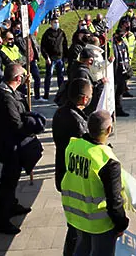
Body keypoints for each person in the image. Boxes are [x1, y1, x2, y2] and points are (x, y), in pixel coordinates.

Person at [60, 111, 129, 256]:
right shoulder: (107, 160)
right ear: (109, 129)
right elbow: (114, 199)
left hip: (76, 216)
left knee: (81, 249)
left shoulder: (73, 146)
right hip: (100, 224)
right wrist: (121, 223)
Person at [0, 63, 34, 235]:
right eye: (22, 77)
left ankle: (12, 205)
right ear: (17, 78)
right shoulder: (6, 97)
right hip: (9, 145)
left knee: (13, 180)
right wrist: (32, 125)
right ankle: (2, 220)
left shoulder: (7, 90)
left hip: (10, 143)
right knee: (8, 182)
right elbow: (16, 123)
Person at [52, 79, 92, 256]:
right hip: (74, 176)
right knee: (76, 226)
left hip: (63, 172)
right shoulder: (77, 122)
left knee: (74, 223)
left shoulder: (61, 112)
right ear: (84, 99)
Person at [41, 18, 69, 101]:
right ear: (51, 23)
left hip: (60, 58)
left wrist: (65, 56)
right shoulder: (47, 34)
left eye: (57, 22)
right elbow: (43, 47)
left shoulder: (61, 33)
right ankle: (46, 94)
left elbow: (65, 45)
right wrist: (46, 57)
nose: (56, 24)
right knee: (48, 76)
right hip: (51, 59)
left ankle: (60, 94)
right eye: (54, 22)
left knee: (60, 77)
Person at [111, 30, 131, 117]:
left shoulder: (123, 45)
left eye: (124, 35)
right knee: (114, 93)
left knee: (120, 92)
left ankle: (119, 109)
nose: (122, 37)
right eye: (121, 35)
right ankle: (112, 111)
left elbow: (127, 57)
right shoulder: (112, 45)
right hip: (115, 72)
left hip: (123, 72)